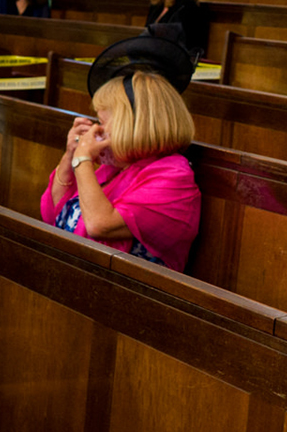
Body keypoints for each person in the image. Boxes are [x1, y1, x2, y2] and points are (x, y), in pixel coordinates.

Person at [40, 31, 201, 271]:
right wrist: (69, 156)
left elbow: (98, 225)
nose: (96, 129)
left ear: (136, 124)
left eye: (103, 122)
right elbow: (53, 215)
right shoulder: (114, 168)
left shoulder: (173, 177)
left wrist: (83, 160)